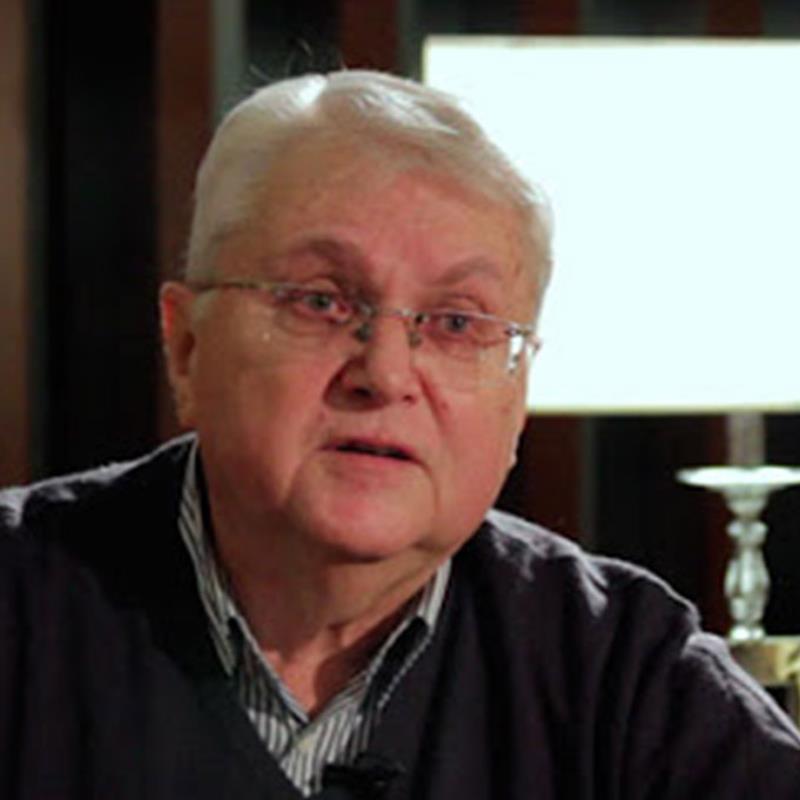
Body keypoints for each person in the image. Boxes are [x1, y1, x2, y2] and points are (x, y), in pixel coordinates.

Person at [1, 70, 798, 800]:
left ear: (518, 395)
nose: (385, 373)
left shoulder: (622, 670)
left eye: (456, 322)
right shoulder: (21, 604)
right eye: (320, 301)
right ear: (186, 347)